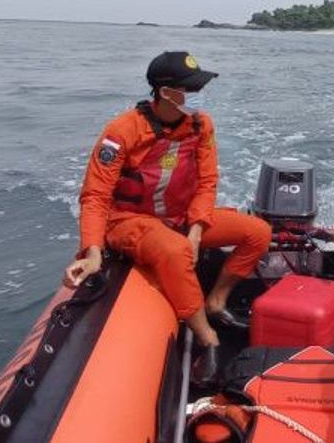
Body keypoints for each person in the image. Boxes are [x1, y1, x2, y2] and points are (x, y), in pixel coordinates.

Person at [62, 51, 272, 385]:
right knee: (175, 251)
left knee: (258, 232)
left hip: (180, 216)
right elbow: (96, 195)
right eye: (188, 90)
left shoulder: (201, 125)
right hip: (130, 220)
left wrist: (198, 228)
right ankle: (208, 339)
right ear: (164, 93)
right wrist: (92, 250)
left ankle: (217, 302)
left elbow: (207, 182)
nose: (196, 97)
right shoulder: (122, 132)